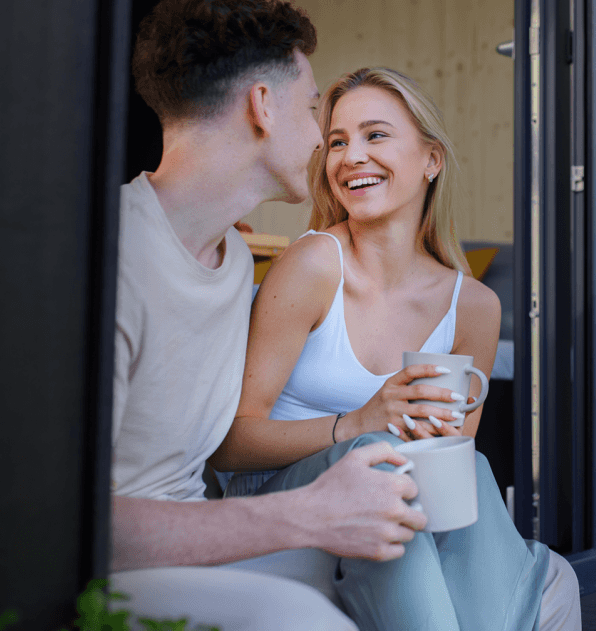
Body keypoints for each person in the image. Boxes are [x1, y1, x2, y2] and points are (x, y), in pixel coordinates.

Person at [208, 67, 581, 630]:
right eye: (337, 141)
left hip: (395, 510)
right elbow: (229, 446)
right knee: (382, 457)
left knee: (470, 468)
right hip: (281, 498)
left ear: (432, 158)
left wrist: (426, 438)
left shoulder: (474, 307)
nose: (350, 155)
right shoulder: (311, 266)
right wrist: (361, 420)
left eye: (375, 135)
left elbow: (449, 467)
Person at [110, 2, 426, 628]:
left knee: (538, 578)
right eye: (313, 109)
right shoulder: (105, 259)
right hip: (110, 574)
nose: (319, 137)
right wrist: (308, 511)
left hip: (201, 549)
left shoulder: (230, 259)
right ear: (261, 105)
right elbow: (49, 524)